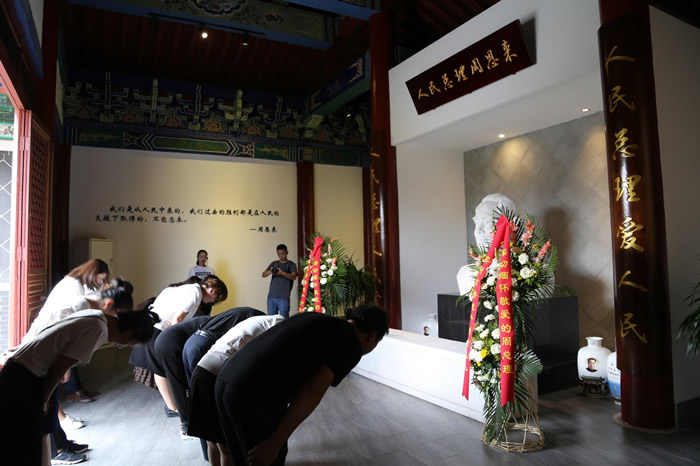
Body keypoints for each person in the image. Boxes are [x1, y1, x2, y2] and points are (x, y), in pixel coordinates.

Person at [215, 304, 389, 466]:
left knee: (240, 459)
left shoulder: (317, 319)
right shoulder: (351, 343)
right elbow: (313, 390)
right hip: (252, 394)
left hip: (225, 380)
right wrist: (275, 443)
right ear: (372, 336)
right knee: (264, 456)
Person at [0, 309, 158, 466]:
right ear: (130, 332)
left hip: (26, 373)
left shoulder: (97, 316)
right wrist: (43, 399)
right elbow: (57, 369)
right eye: (130, 343)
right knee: (25, 445)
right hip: (24, 379)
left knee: (42, 433)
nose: (122, 346)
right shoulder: (98, 329)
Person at [188, 314, 284, 466]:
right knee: (226, 449)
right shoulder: (279, 325)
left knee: (212, 441)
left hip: (200, 372)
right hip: (215, 375)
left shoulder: (260, 321)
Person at [129, 275, 228, 416]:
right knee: (160, 370)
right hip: (158, 329)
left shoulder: (179, 288)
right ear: (212, 291)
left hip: (149, 326)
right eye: (216, 300)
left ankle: (173, 405)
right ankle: (172, 408)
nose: (213, 303)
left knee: (159, 369)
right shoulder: (195, 293)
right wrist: (174, 340)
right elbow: (178, 319)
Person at [261, 244, 297, 318]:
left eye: (282, 253)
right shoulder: (274, 263)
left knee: (284, 320)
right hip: (271, 297)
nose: (281, 256)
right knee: (271, 320)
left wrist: (282, 273)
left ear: (287, 253)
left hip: (283, 298)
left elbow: (294, 276)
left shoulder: (291, 264)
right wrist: (271, 271)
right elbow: (263, 274)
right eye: (278, 254)